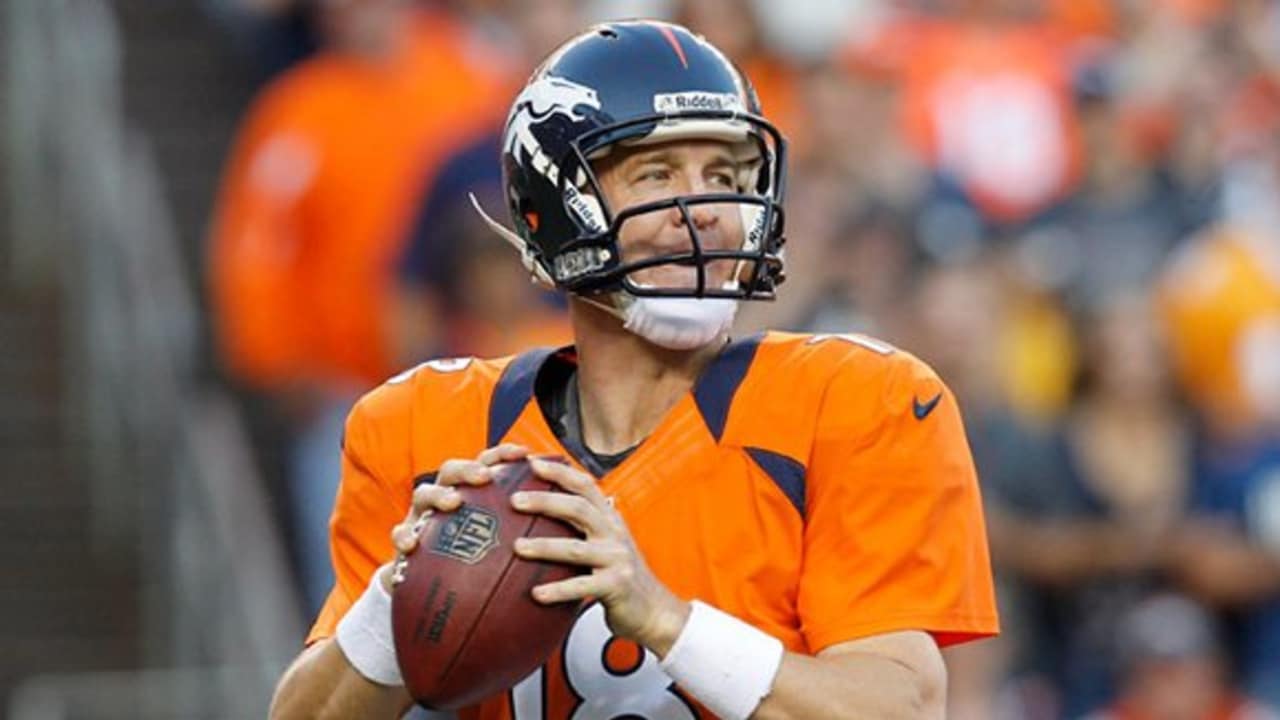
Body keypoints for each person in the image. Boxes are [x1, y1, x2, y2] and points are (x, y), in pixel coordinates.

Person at [268, 21, 999, 720]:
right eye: (655, 174)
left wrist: (668, 622)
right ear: (553, 209)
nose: (706, 207)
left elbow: (900, 707)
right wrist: (394, 608)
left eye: (725, 172)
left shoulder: (860, 403)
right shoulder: (429, 430)